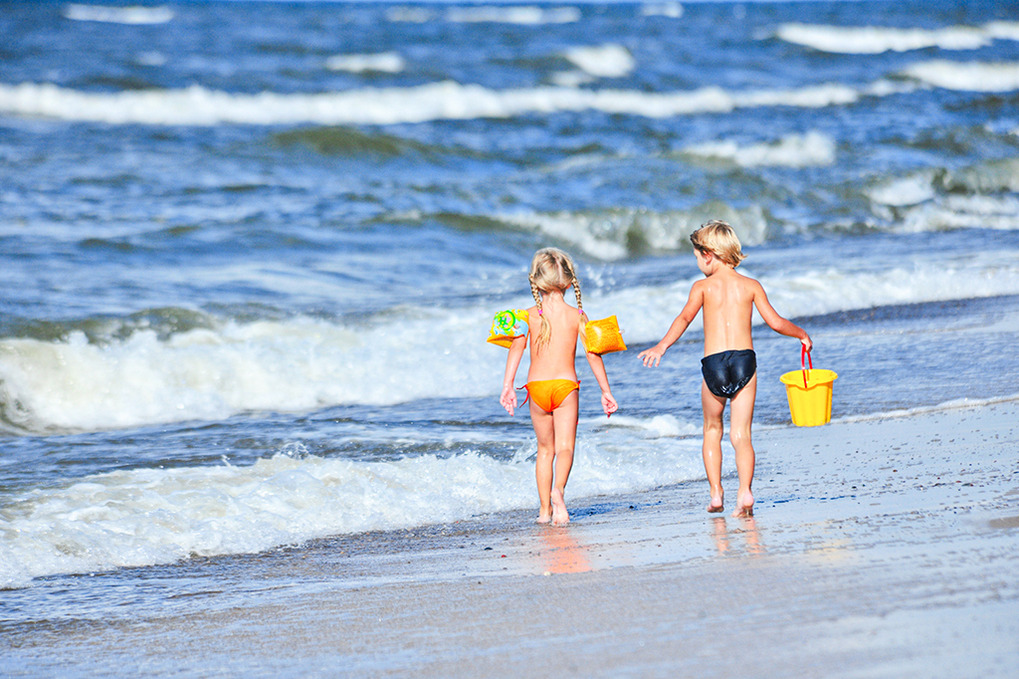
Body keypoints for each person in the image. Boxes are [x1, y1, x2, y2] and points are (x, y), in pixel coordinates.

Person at [638, 220, 811, 518]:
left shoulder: (702, 287)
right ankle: (745, 492)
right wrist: (802, 335)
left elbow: (683, 319)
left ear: (708, 255)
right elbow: (775, 322)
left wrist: (661, 346)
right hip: (745, 361)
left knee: (712, 429)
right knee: (741, 434)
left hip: (714, 364)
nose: (697, 263)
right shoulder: (751, 285)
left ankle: (716, 492)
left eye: (696, 257)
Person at [501, 247, 618, 525]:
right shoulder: (577, 315)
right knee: (565, 448)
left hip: (536, 388)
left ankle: (544, 511)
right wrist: (606, 390)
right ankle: (559, 492)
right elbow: (593, 354)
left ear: (535, 280)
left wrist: (507, 386)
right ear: (568, 281)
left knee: (545, 450)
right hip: (566, 388)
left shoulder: (525, 316)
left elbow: (516, 350)